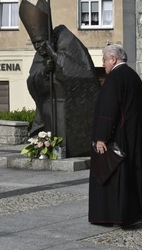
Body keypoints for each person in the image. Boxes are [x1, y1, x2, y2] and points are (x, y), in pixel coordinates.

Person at [19, 0, 100, 157]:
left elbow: (81, 73)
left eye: (41, 43)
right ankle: (46, 149)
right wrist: (44, 73)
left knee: (67, 141)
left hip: (69, 107)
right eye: (35, 43)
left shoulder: (67, 40)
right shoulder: (40, 54)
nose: (39, 47)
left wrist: (55, 56)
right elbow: (32, 82)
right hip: (49, 108)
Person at [89, 44, 142, 227]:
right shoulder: (133, 76)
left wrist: (101, 137)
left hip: (116, 138)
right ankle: (130, 214)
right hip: (131, 135)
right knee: (129, 176)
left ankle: (112, 216)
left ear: (113, 59)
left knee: (112, 176)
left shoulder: (114, 78)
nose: (103, 64)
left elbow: (108, 109)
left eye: (104, 59)